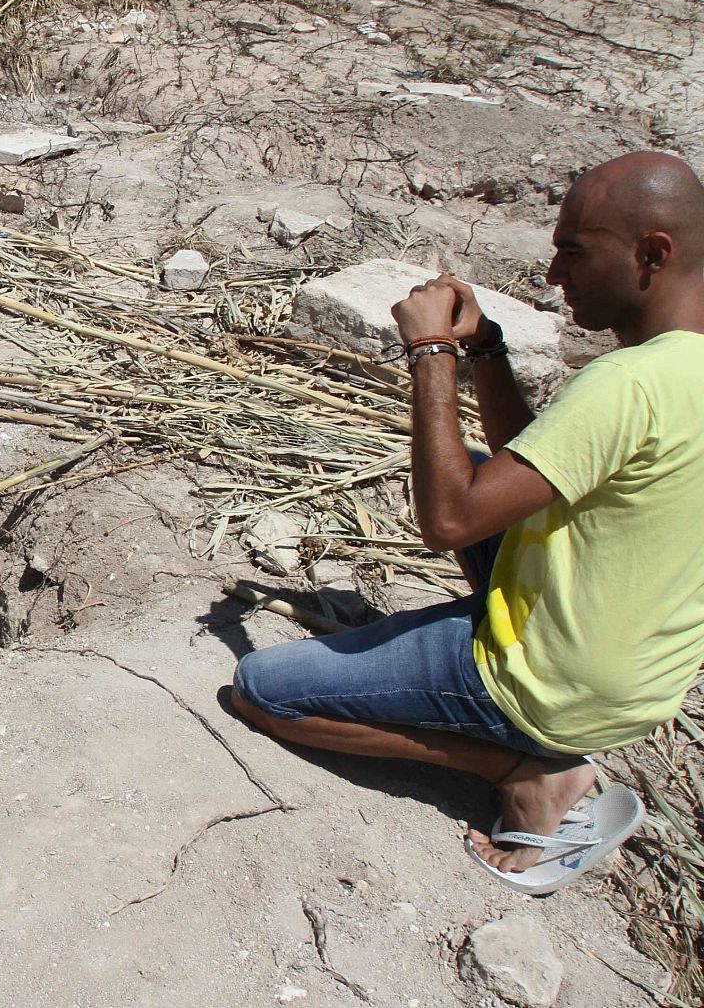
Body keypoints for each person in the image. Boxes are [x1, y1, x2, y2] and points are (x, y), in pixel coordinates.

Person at [229, 151, 704, 889]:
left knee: (260, 689)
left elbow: (448, 522)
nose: (553, 276)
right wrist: (487, 349)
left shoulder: (627, 384)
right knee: (486, 465)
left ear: (652, 253)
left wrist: (433, 353)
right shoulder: (682, 372)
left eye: (572, 251)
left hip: (549, 684)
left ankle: (526, 768)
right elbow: (543, 460)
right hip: (635, 684)